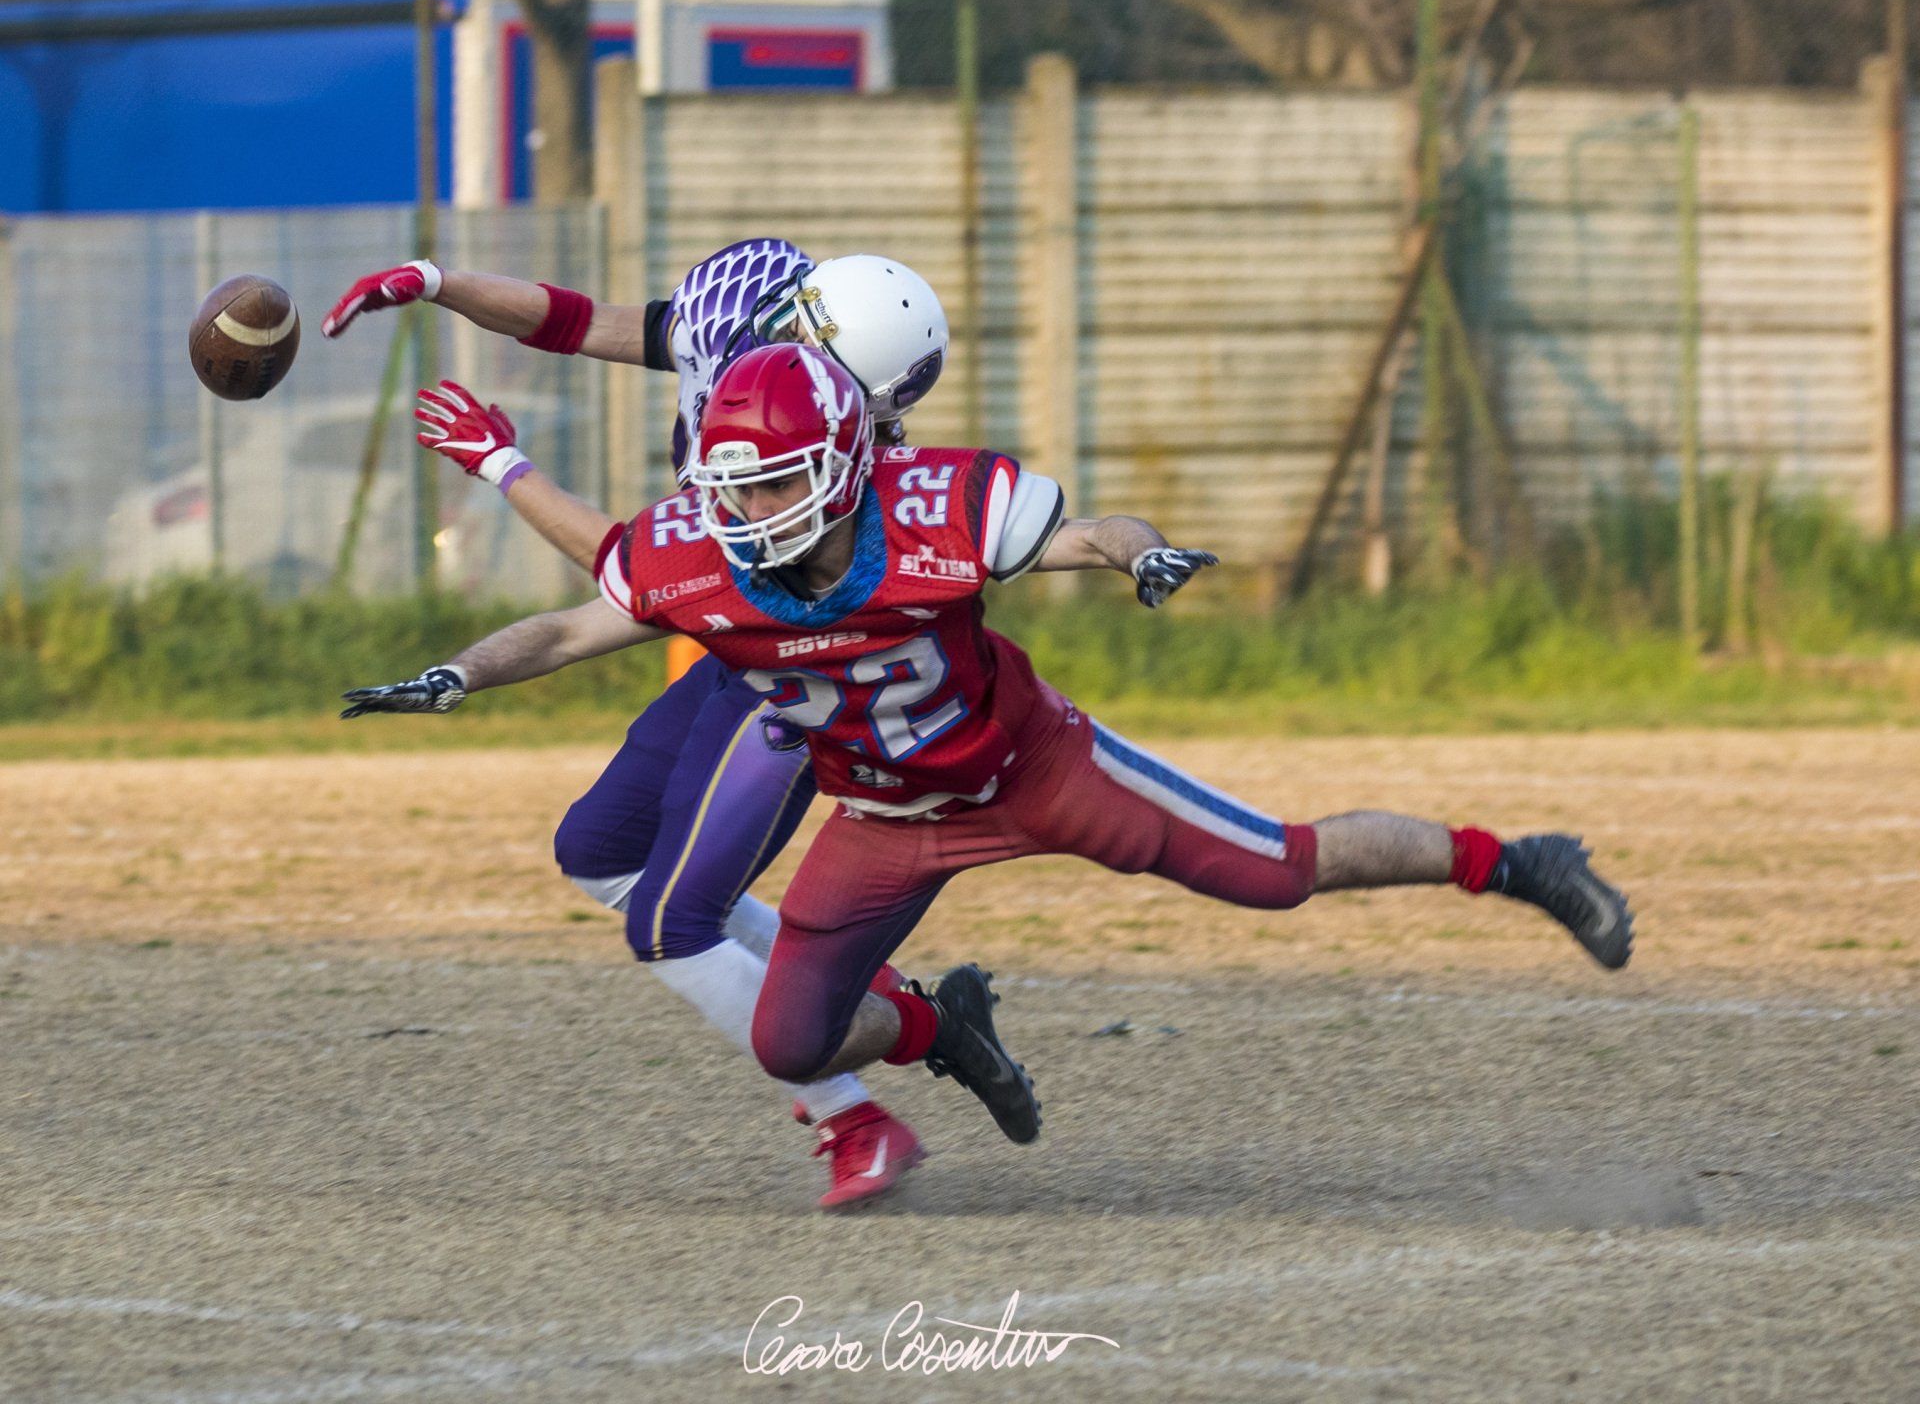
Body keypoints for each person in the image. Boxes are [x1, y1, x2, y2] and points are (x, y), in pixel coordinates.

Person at [342, 342, 1635, 1150]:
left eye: (777, 487)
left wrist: (1145, 555)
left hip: (1039, 775)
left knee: (1277, 867)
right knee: (790, 1041)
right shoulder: (703, 560)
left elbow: (1089, 530)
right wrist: (460, 670)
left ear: (848, 464)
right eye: (735, 494)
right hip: (878, 825)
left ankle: (1512, 861)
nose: (752, 517)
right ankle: (936, 1028)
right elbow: (574, 621)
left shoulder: (933, 513)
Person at [322, 243, 948, 1208]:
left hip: (800, 679)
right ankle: (895, 1007)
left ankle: (853, 1114)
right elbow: (576, 321)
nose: (865, 420)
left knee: (674, 920)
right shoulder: (747, 333)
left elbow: (637, 577)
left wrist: (505, 465)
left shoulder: (857, 469)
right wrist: (436, 281)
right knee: (601, 850)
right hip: (733, 648)